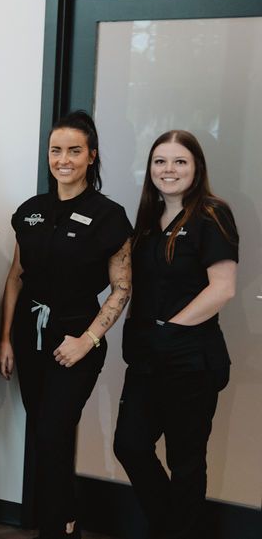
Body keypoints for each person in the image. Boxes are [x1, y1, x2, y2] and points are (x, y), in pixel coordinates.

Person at [0, 110, 132, 539]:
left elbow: (122, 288)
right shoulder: (30, 212)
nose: (64, 160)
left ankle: (58, 526)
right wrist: (6, 338)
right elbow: (16, 277)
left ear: (92, 156)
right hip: (29, 336)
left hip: (76, 338)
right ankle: (64, 516)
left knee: (54, 430)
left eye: (74, 151)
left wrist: (88, 340)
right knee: (43, 432)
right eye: (56, 150)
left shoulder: (109, 216)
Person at [112, 131, 238, 539]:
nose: (169, 170)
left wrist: (169, 329)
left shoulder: (212, 215)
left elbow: (223, 289)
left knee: (185, 462)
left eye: (180, 161)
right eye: (160, 161)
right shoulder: (148, 221)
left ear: (196, 167)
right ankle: (173, 529)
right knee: (130, 445)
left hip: (191, 359)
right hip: (147, 360)